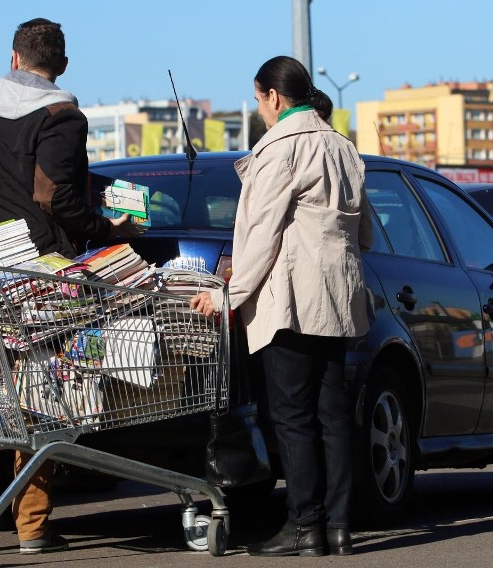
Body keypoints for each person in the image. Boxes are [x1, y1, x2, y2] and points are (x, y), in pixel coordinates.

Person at [0, 17, 136, 556]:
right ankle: (32, 525)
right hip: (38, 274)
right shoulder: (62, 115)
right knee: (43, 392)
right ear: (61, 65)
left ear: (13, 58)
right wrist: (108, 231)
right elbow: (53, 196)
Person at [190, 55, 372, 557]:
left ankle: (303, 524)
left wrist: (227, 292)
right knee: (332, 414)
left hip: (290, 300)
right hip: (339, 299)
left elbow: (258, 235)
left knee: (292, 416)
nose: (258, 111)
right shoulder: (343, 148)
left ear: (273, 96)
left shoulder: (280, 149)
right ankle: (338, 526)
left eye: (257, 100)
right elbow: (368, 232)